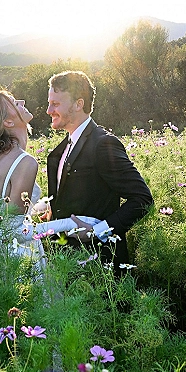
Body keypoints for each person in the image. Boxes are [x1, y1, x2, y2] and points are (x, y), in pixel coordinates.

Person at [46, 70, 153, 269]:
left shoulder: (103, 144)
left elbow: (142, 199)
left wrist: (97, 232)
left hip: (101, 265)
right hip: (66, 263)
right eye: (49, 103)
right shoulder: (62, 148)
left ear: (79, 104)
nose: (48, 110)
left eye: (56, 104)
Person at [0, 90, 46, 273]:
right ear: (8, 122)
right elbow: (15, 228)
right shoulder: (25, 162)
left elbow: (2, 214)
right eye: (14, 102)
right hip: (15, 258)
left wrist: (40, 207)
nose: (22, 100)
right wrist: (67, 225)